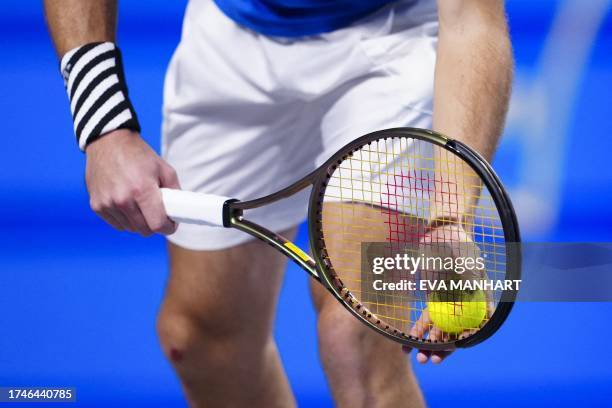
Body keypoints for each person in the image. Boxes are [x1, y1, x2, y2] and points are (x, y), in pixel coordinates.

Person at [44, 0, 513, 406]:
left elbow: (472, 18)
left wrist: (449, 217)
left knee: (355, 335)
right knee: (201, 342)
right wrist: (102, 127)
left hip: (390, 40)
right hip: (232, 39)